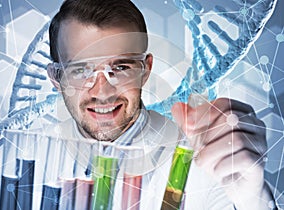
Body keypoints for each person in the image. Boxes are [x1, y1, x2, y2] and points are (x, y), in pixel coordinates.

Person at [43, 0, 282, 209]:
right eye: (81, 70)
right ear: (56, 77)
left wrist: (252, 198)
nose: (102, 92)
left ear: (146, 70)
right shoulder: (27, 157)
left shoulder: (203, 159)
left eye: (121, 68)